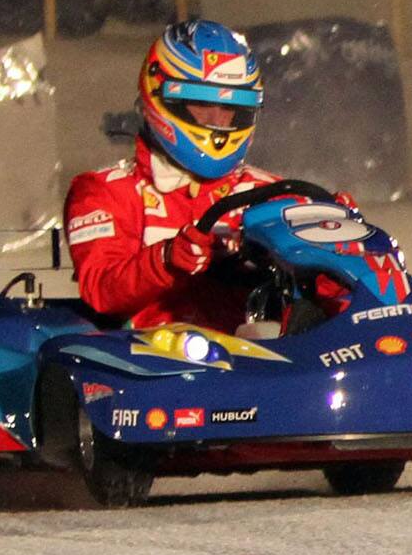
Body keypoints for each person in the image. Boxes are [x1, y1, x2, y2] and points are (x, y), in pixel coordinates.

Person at [63, 19, 280, 329]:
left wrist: (338, 244)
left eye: (230, 110)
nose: (218, 121)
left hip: (263, 363)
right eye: (203, 106)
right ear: (162, 98)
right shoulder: (105, 192)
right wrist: (165, 259)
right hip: (151, 363)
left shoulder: (272, 193)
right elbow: (102, 289)